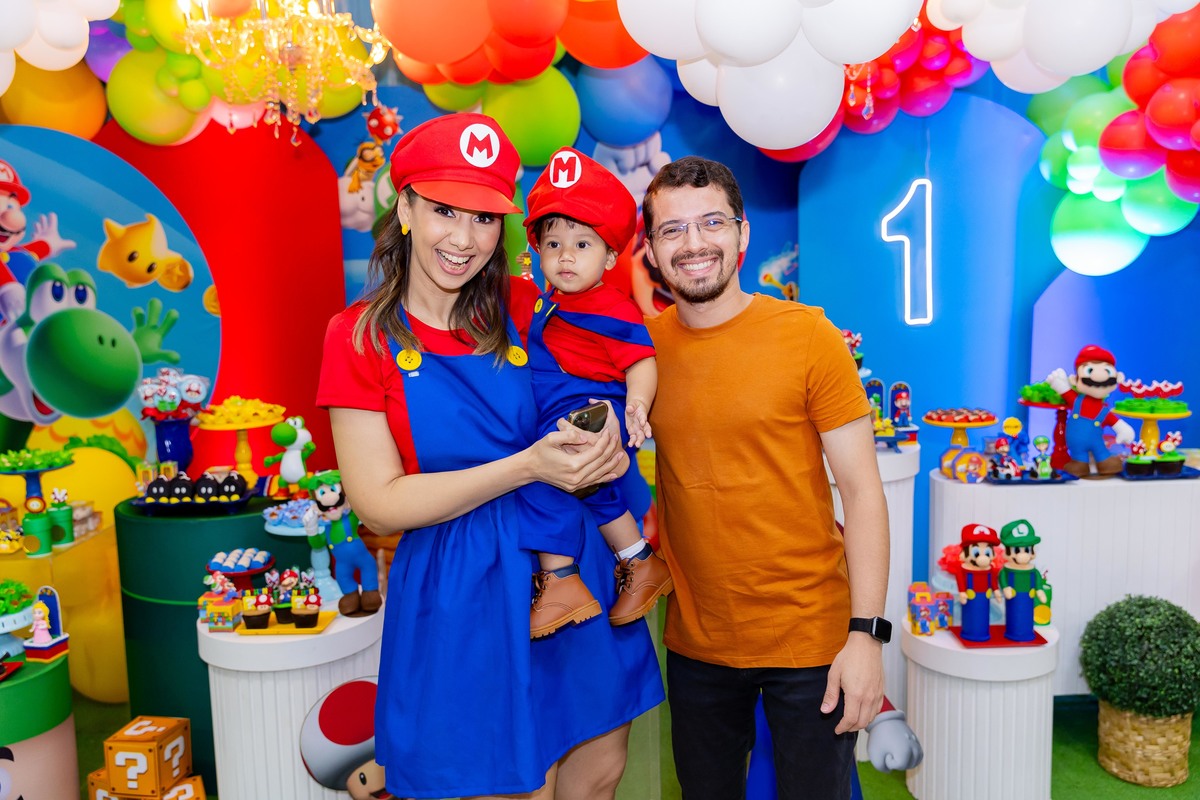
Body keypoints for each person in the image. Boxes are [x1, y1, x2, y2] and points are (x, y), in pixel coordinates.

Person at [317, 113, 664, 799]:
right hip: (461, 588)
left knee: (597, 772)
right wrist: (528, 465)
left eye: (483, 218)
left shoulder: (530, 304)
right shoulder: (359, 337)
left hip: (571, 566)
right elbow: (378, 502)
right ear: (405, 207)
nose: (464, 238)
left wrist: (610, 442)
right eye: (444, 209)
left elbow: (617, 366)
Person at [640, 156, 891, 798]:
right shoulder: (641, 354)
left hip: (810, 638)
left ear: (742, 233)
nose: (694, 243)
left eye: (711, 222)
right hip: (698, 642)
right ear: (651, 249)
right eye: (672, 229)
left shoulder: (808, 335)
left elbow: (862, 492)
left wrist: (867, 637)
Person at [520, 146, 672, 638]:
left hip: (591, 412)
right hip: (564, 412)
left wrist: (636, 407)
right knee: (591, 487)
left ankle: (561, 578)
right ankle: (638, 559)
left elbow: (641, 359)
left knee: (543, 478)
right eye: (553, 243)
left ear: (609, 256)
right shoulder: (548, 303)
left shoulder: (610, 306)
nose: (565, 255)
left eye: (582, 244)